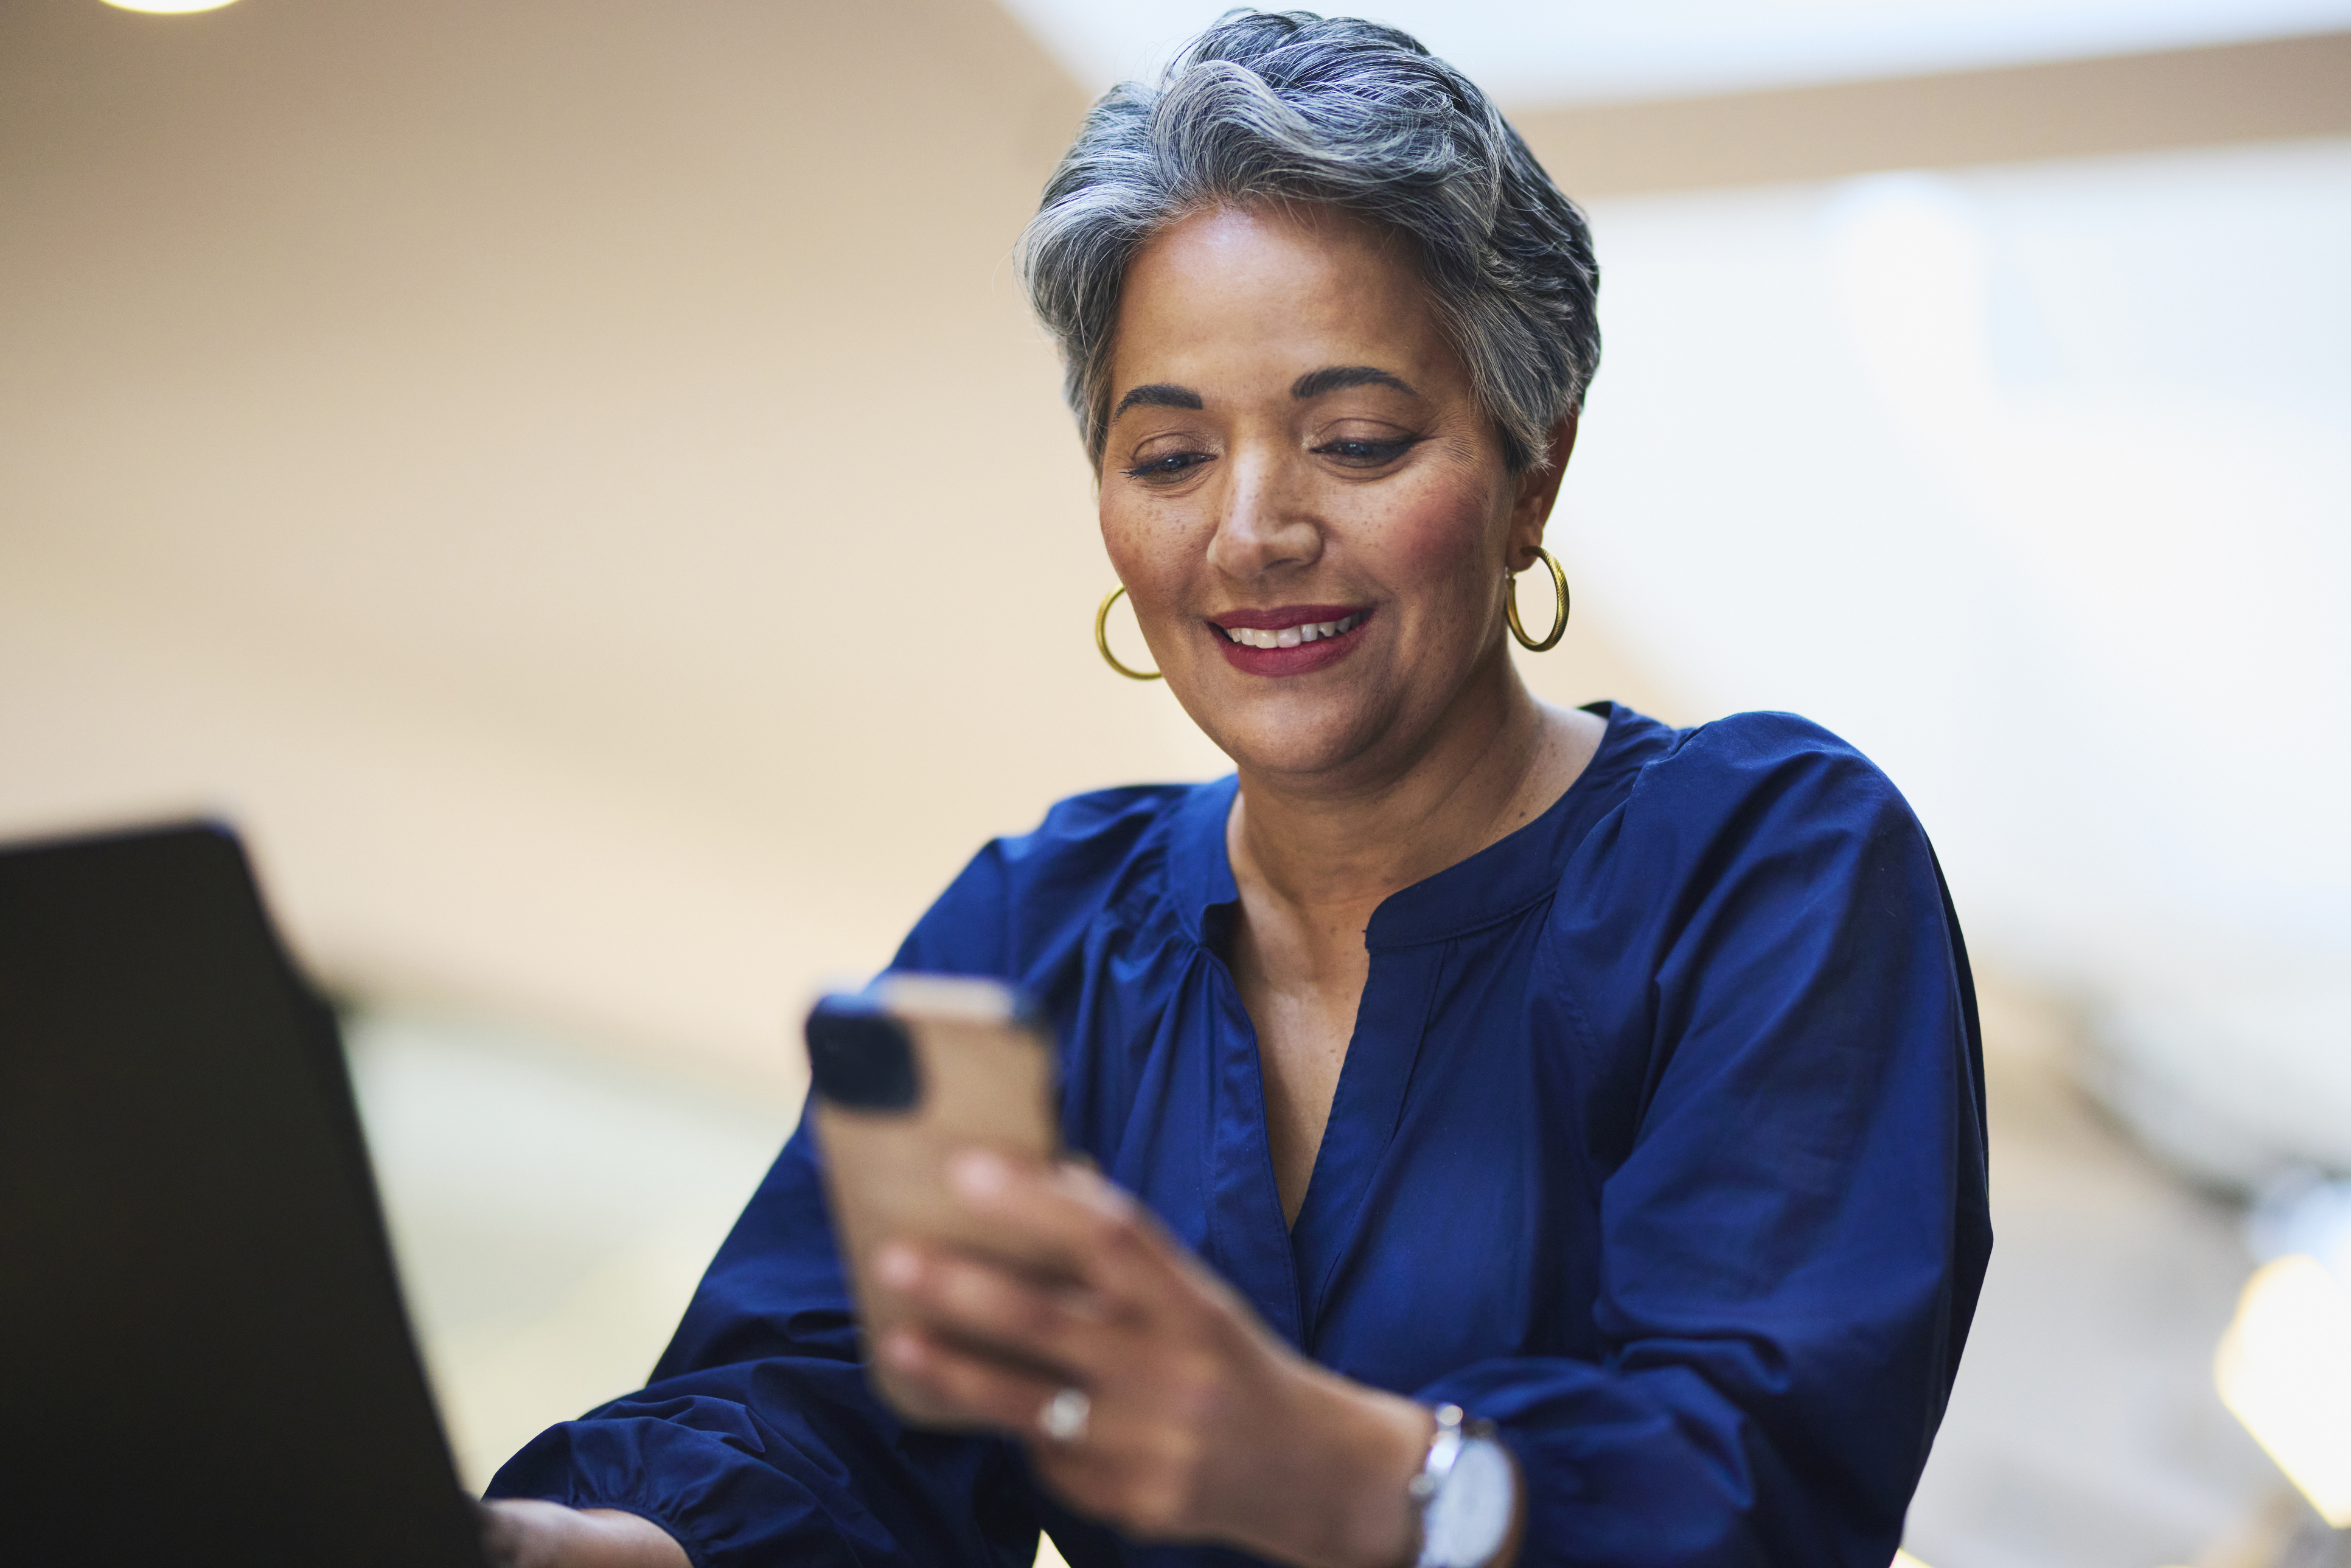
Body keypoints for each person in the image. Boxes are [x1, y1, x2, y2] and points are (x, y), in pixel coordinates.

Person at [480, 12, 1992, 1567]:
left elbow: (1759, 1477)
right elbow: (832, 1413)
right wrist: (573, 1547)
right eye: (1168, 457)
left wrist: (1342, 1469)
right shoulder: (1035, 925)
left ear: (1534, 467)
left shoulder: (1760, 864)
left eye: (1356, 439)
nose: (1253, 530)